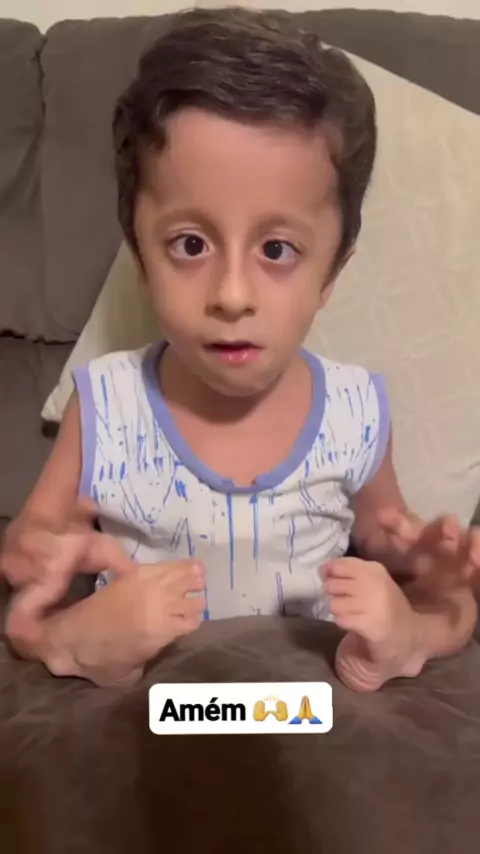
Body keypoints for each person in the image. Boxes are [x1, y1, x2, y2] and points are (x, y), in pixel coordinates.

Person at [1, 7, 478, 692]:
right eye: (190, 244)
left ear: (330, 275)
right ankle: (76, 646)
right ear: (141, 257)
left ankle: (407, 642)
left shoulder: (354, 409)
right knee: (50, 633)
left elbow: (382, 531)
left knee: (446, 613)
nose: (231, 295)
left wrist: (421, 563)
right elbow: (35, 536)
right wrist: (36, 551)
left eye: (277, 250)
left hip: (303, 686)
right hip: (152, 678)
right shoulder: (108, 401)